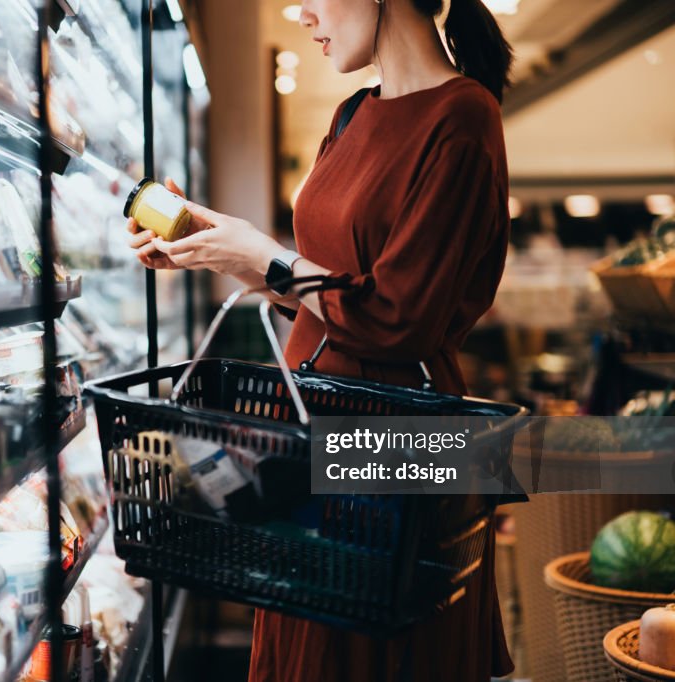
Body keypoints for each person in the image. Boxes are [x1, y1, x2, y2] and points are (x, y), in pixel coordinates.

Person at [127, 0, 513, 678]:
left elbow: (397, 319)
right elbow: (336, 297)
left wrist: (266, 254)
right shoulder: (351, 114)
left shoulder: (462, 116)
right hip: (314, 436)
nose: (300, 12)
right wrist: (227, 251)